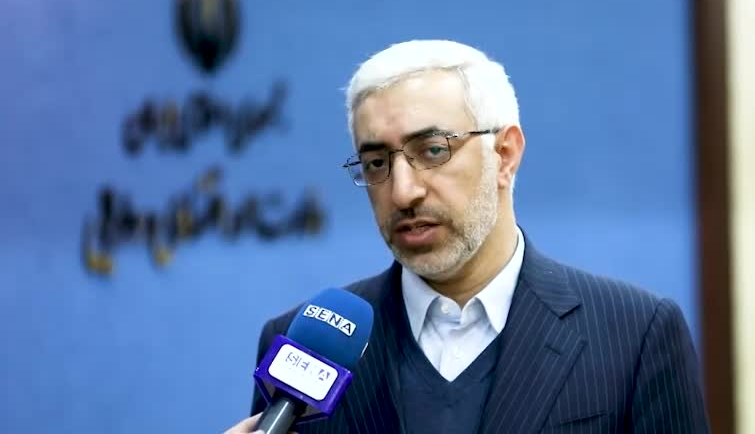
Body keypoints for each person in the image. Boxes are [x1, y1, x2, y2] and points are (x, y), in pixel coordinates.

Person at [226, 40, 709, 433]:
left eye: (433, 151)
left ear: (505, 155)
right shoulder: (304, 347)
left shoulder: (635, 336)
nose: (403, 191)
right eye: (376, 163)